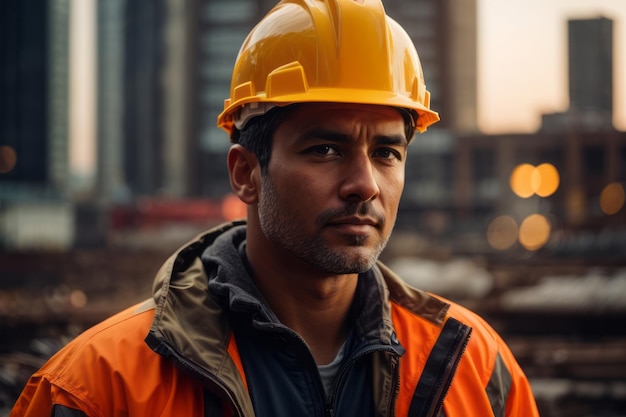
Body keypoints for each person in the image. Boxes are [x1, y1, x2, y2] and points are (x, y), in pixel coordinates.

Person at [11, 0, 539, 416]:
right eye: (325, 150)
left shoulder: (474, 370)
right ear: (246, 173)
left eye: (386, 153)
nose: (364, 184)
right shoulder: (96, 390)